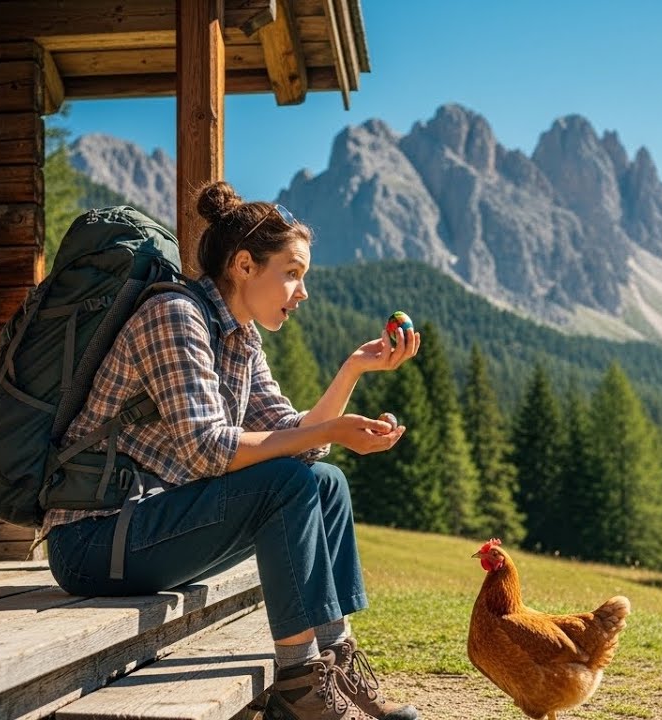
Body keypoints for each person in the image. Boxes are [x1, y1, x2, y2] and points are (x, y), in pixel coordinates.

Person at [43, 180, 421, 720]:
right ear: (244, 265)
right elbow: (209, 451)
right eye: (292, 273)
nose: (302, 292)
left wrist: (353, 370)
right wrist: (333, 431)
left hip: (153, 526)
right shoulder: (175, 316)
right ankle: (298, 682)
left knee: (324, 482)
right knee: (286, 484)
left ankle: (335, 660)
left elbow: (295, 435)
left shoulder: (241, 339)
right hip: (94, 540)